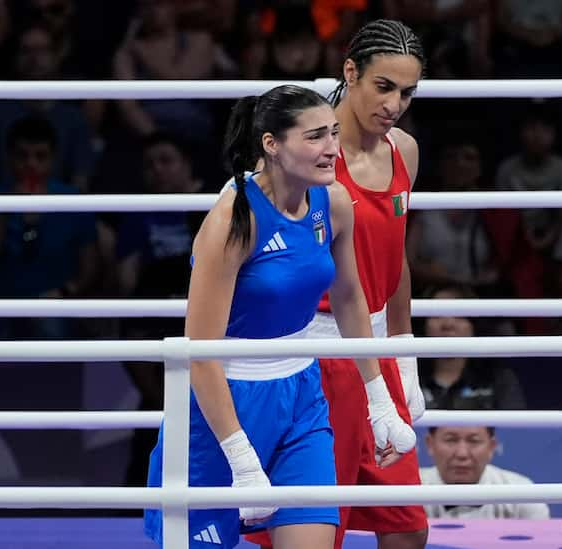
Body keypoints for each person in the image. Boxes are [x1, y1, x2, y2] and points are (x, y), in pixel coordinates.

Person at [143, 84, 415, 549]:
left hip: (302, 399)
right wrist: (242, 458)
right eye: (314, 137)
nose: (332, 148)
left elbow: (350, 298)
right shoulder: (235, 219)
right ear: (271, 144)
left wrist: (380, 399)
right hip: (220, 407)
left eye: (333, 133)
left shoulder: (333, 203)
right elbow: (200, 353)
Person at [246, 19, 429, 549]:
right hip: (316, 353)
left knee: (407, 528)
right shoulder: (303, 159)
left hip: (376, 354)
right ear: (350, 73)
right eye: (383, 86)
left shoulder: (404, 152)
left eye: (407, 92)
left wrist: (404, 349)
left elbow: (394, 258)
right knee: (315, 529)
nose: (394, 104)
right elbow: (268, 263)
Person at [420, 426, 550, 520]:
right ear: (430, 444)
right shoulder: (405, 491)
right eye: (451, 440)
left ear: (492, 446)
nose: (462, 454)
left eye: (474, 441)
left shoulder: (522, 493)